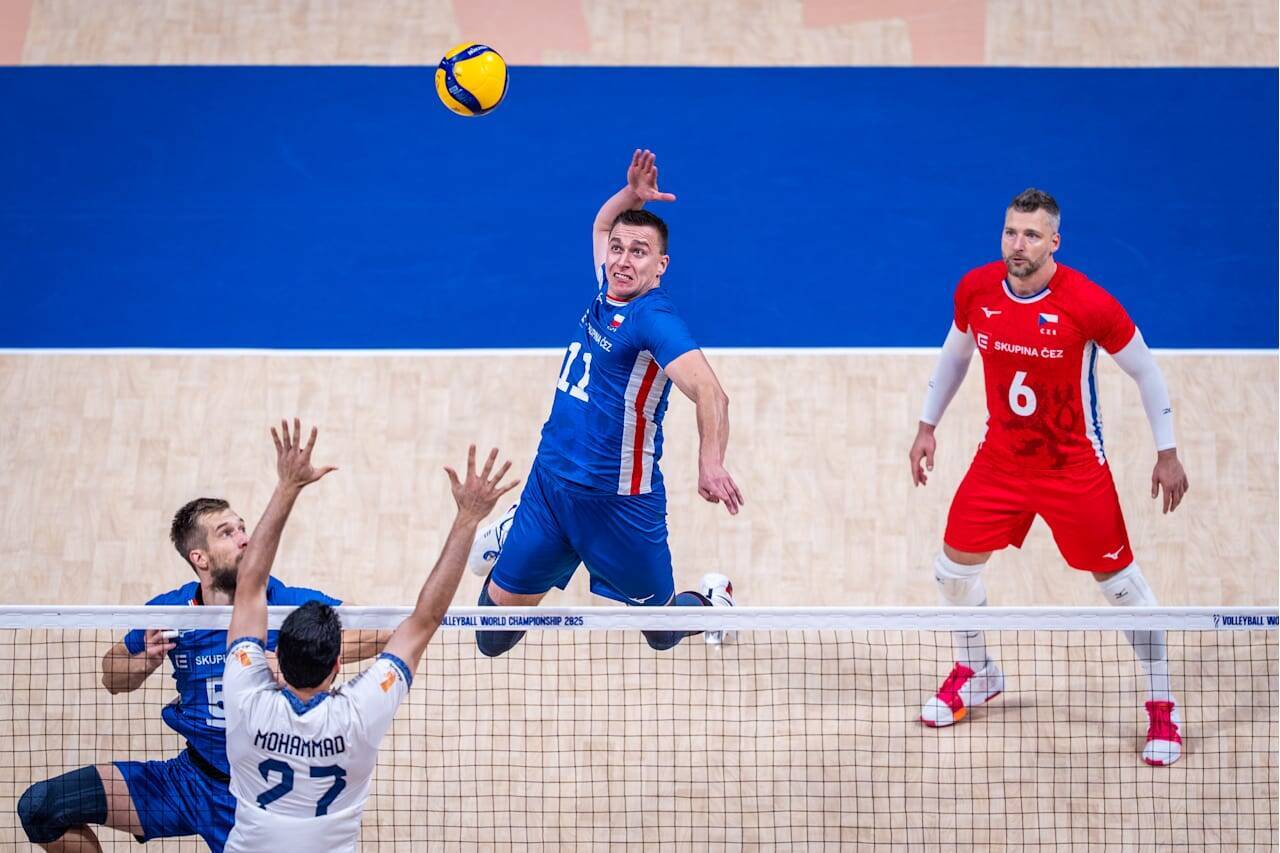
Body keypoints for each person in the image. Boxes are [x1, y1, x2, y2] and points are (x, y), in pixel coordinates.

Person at [908, 188, 1190, 766]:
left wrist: (1167, 453)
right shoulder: (977, 290)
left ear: (1054, 242)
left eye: (1032, 235)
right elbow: (955, 355)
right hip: (1000, 462)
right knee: (951, 571)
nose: (1018, 244)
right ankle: (977, 671)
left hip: (1073, 468)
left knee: (1121, 588)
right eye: (1011, 232)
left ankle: (1163, 704)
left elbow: (1147, 372)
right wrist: (926, 425)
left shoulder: (1088, 303)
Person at [18, 458, 384, 851]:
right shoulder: (172, 612)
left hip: (257, 797)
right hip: (189, 780)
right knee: (41, 807)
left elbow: (380, 631)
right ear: (200, 558)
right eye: (228, 533)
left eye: (243, 528)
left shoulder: (285, 603)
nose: (244, 538)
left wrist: (294, 658)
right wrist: (142, 662)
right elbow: (111, 674)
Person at [467, 149, 743, 655]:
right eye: (617, 249)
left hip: (621, 507)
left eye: (639, 252)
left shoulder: (653, 320)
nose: (621, 260)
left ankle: (713, 599)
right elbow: (601, 224)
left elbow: (711, 392)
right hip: (550, 489)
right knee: (490, 636)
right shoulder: (607, 288)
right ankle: (515, 528)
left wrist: (710, 462)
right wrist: (630, 196)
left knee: (661, 634)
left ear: (661, 267)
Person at [221, 421, 517, 851]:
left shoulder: (245, 698)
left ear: (276, 657)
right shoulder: (357, 716)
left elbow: (249, 586)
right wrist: (469, 517)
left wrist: (287, 486)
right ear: (337, 664)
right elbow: (425, 620)